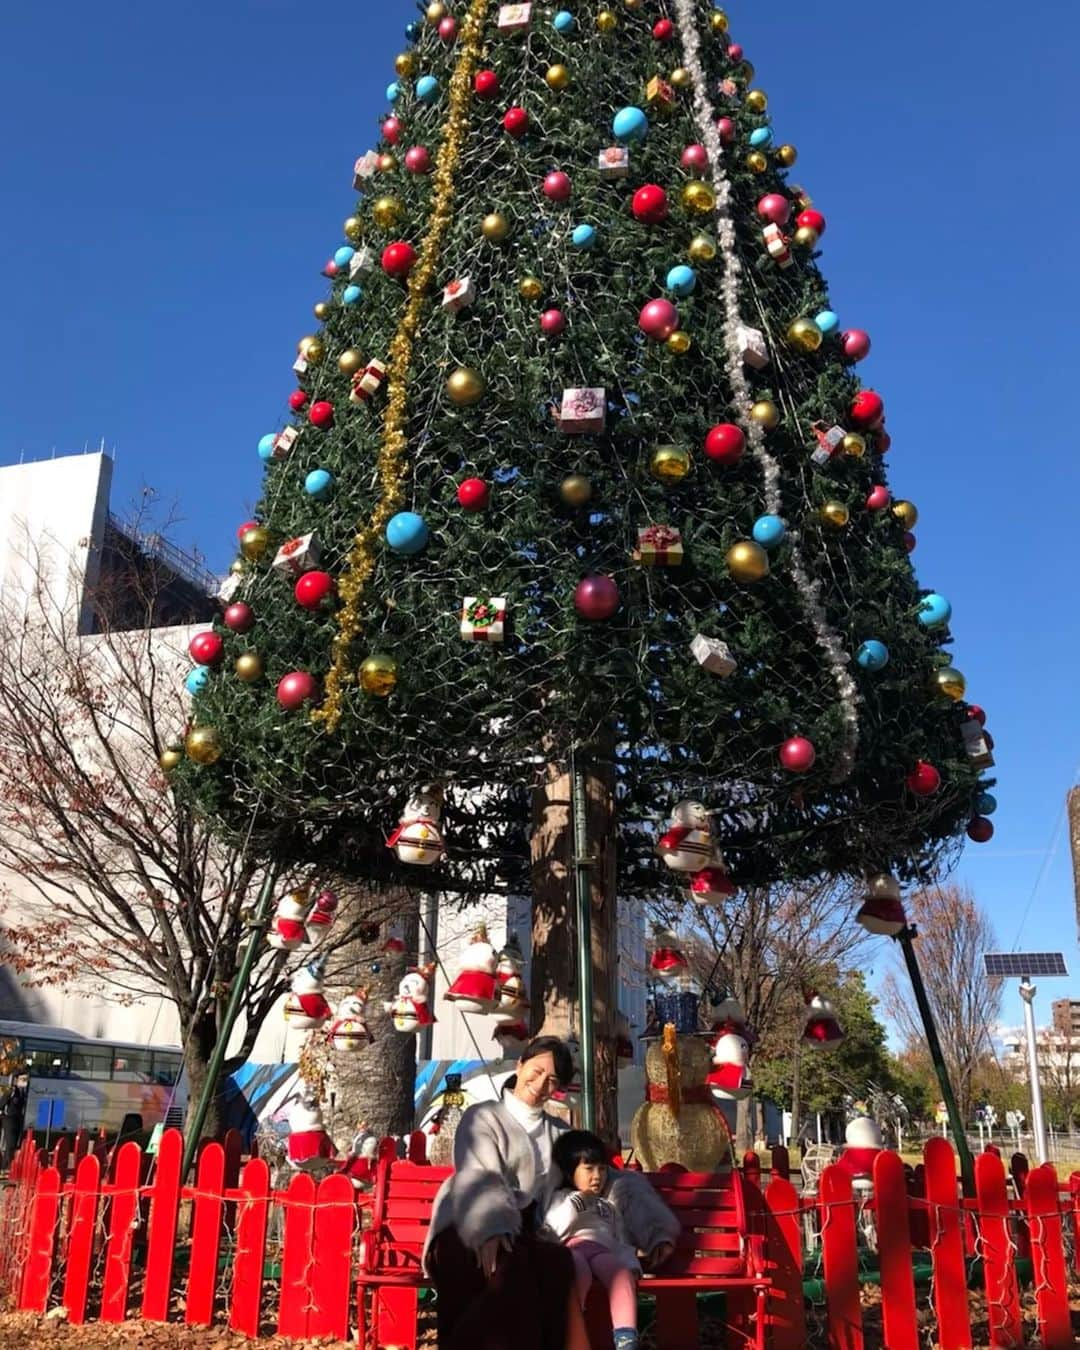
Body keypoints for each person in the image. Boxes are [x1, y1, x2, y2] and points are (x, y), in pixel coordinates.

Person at [423, 1036, 589, 1350]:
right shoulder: (483, 1116)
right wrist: (493, 1229)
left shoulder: (561, 1133)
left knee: (557, 1262)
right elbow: (478, 1175)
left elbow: (596, 1179)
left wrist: (648, 1228)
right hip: (466, 1221)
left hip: (527, 1232)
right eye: (537, 1070)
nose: (541, 1083)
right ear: (520, 1065)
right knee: (510, 1267)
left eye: (552, 1079)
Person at [546, 1129, 680, 1350]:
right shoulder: (562, 1198)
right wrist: (573, 1205)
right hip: (573, 1250)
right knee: (576, 1270)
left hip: (603, 1250)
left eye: (601, 1169)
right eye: (589, 1169)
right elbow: (553, 1231)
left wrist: (630, 1264)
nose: (597, 1176)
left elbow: (618, 1237)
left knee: (621, 1276)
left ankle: (626, 1338)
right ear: (570, 1172)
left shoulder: (607, 1204)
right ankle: (570, 1328)